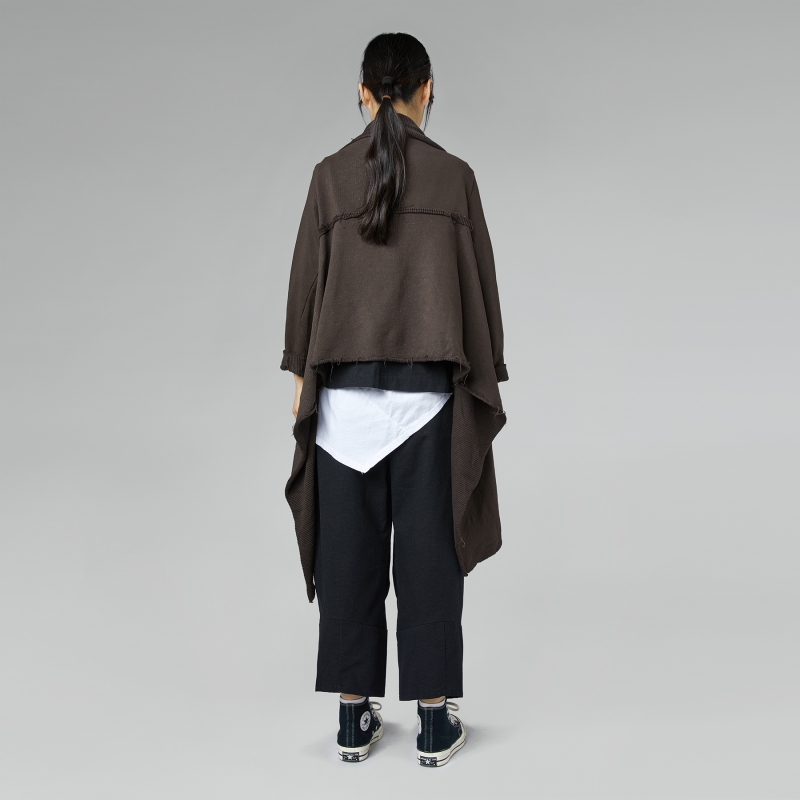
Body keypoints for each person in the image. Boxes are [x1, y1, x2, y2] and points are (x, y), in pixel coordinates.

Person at [280, 32, 509, 766]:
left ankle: (353, 719)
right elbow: (480, 296)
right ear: (426, 90)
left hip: (342, 409)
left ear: (362, 92)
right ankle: (435, 722)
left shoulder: (328, 178)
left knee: (347, 558)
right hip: (430, 406)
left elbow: (304, 294)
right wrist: (485, 377)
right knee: (430, 559)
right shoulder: (455, 178)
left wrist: (300, 388)